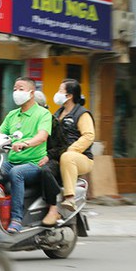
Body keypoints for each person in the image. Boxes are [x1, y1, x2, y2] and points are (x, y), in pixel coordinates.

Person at [0, 78, 52, 233]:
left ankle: (16, 219)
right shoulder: (12, 115)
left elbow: (42, 136)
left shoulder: (43, 114)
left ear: (31, 93)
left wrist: (25, 143)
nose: (16, 92)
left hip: (34, 164)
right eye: (15, 89)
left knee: (17, 173)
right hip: (13, 161)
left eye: (20, 89)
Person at [43, 79, 95, 223]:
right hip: (61, 156)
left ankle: (69, 198)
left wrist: (71, 150)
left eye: (60, 90)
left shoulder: (82, 113)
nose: (57, 94)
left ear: (69, 95)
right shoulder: (58, 113)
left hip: (82, 158)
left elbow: (89, 136)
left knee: (68, 156)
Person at [33, 91, 69, 227]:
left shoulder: (52, 121)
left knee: (45, 171)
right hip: (30, 158)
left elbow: (63, 146)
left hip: (51, 160)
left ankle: (53, 208)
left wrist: (48, 156)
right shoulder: (24, 119)